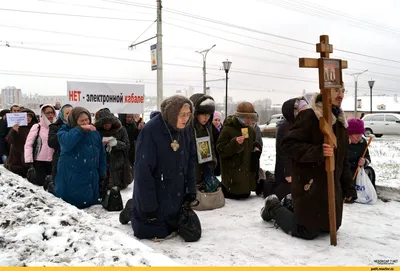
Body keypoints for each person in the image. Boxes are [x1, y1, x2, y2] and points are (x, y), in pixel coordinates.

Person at [261, 87, 357, 240]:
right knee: (307, 231)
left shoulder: (340, 123)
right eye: (336, 91)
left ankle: (290, 204)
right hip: (310, 187)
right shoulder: (309, 116)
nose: (341, 95)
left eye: (343, 90)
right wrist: (318, 151)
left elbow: (343, 159)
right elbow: (288, 144)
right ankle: (273, 206)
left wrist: (348, 187)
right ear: (325, 91)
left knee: (331, 228)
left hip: (332, 190)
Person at [126, 95, 197, 240]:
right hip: (156, 191)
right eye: (182, 115)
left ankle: (134, 205)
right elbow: (143, 172)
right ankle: (133, 208)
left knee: (189, 231)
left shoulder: (186, 129)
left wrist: (190, 191)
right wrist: (148, 207)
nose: (186, 119)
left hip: (175, 192)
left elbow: (191, 161)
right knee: (154, 230)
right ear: (172, 113)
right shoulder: (151, 130)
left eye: (188, 115)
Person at [55, 107, 106, 209]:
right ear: (74, 121)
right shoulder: (64, 132)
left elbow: (101, 154)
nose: (85, 123)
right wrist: (80, 130)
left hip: (91, 179)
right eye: (81, 121)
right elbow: (67, 144)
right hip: (72, 178)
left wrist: (103, 173)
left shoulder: (94, 132)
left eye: (87, 120)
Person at [264, 97, 309, 200]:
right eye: (303, 110)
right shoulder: (285, 127)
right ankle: (266, 185)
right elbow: (284, 153)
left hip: (297, 167)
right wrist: (288, 172)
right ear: (294, 112)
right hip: (286, 169)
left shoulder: (300, 125)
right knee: (284, 195)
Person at [216, 102, 262, 199]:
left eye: (251, 118)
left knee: (244, 194)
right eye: (247, 118)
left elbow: (252, 144)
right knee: (236, 194)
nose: (249, 121)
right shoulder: (227, 129)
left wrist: (256, 147)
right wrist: (235, 143)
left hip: (246, 179)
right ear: (239, 116)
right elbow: (221, 150)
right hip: (232, 179)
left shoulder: (250, 130)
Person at [95, 108, 131, 190]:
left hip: (119, 166)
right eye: (104, 124)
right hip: (102, 164)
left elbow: (127, 145)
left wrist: (116, 143)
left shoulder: (121, 129)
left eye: (108, 123)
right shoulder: (97, 132)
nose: (106, 126)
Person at [24, 104, 57, 186]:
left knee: (52, 185)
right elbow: (28, 144)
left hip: (54, 161)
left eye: (51, 112)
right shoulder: (37, 127)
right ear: (42, 114)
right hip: (39, 162)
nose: (50, 115)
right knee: (40, 184)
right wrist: (29, 162)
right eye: (47, 113)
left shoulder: (57, 127)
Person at [47, 104, 73, 193]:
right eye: (67, 113)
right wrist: (65, 135)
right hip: (60, 158)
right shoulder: (55, 126)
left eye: (72, 113)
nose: (70, 115)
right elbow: (51, 142)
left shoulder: (78, 126)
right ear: (62, 115)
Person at [5, 109, 38, 178]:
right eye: (26, 116)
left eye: (30, 116)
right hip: (16, 159)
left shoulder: (36, 127)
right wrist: (14, 131)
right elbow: (9, 140)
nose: (28, 118)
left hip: (30, 158)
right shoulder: (17, 127)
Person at [347, 118, 375, 191]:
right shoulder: (342, 143)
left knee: (370, 171)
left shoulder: (362, 142)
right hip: (346, 169)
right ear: (349, 134)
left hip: (358, 168)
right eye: (357, 136)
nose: (359, 138)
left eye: (360, 135)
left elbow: (367, 157)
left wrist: (364, 161)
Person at [212, 111, 223, 177]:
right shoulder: (210, 129)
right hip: (214, 152)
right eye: (215, 120)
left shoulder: (223, 129)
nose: (217, 122)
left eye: (219, 120)